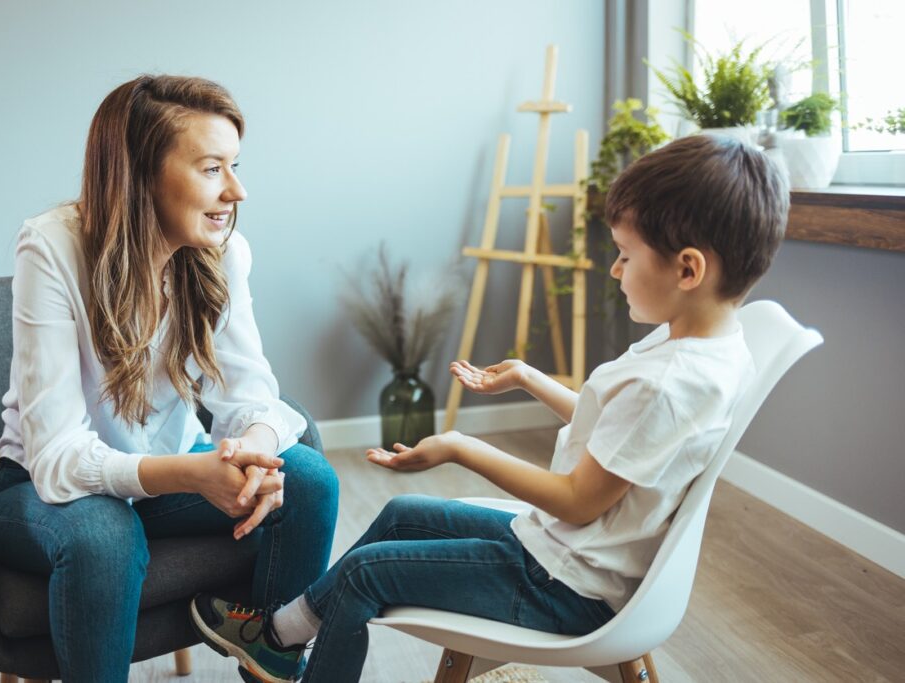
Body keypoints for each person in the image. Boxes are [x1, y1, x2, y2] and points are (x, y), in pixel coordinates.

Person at [188, 133, 790, 682]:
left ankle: (280, 642)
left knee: (368, 573)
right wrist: (530, 379)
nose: (615, 268)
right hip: (558, 553)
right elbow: (617, 428)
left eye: (627, 255)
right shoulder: (703, 344)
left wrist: (463, 447)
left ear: (687, 269)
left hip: (565, 585)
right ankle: (281, 639)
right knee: (401, 514)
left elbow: (580, 501)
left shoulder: (672, 380)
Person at [0, 75, 339, 683]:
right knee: (103, 534)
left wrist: (251, 453)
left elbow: (253, 398)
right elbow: (57, 457)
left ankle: (271, 661)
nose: (237, 190)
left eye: (235, 166)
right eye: (212, 168)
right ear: (141, 173)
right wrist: (191, 473)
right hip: (39, 490)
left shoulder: (221, 253)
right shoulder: (53, 247)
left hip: (166, 476)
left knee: (307, 479)